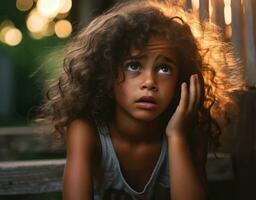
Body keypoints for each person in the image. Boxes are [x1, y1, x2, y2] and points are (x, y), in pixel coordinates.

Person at [37, 0, 245, 199]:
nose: (149, 82)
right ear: (106, 73)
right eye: (134, 66)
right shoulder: (86, 130)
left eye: (164, 69)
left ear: (182, 79)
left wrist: (177, 136)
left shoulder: (190, 132)